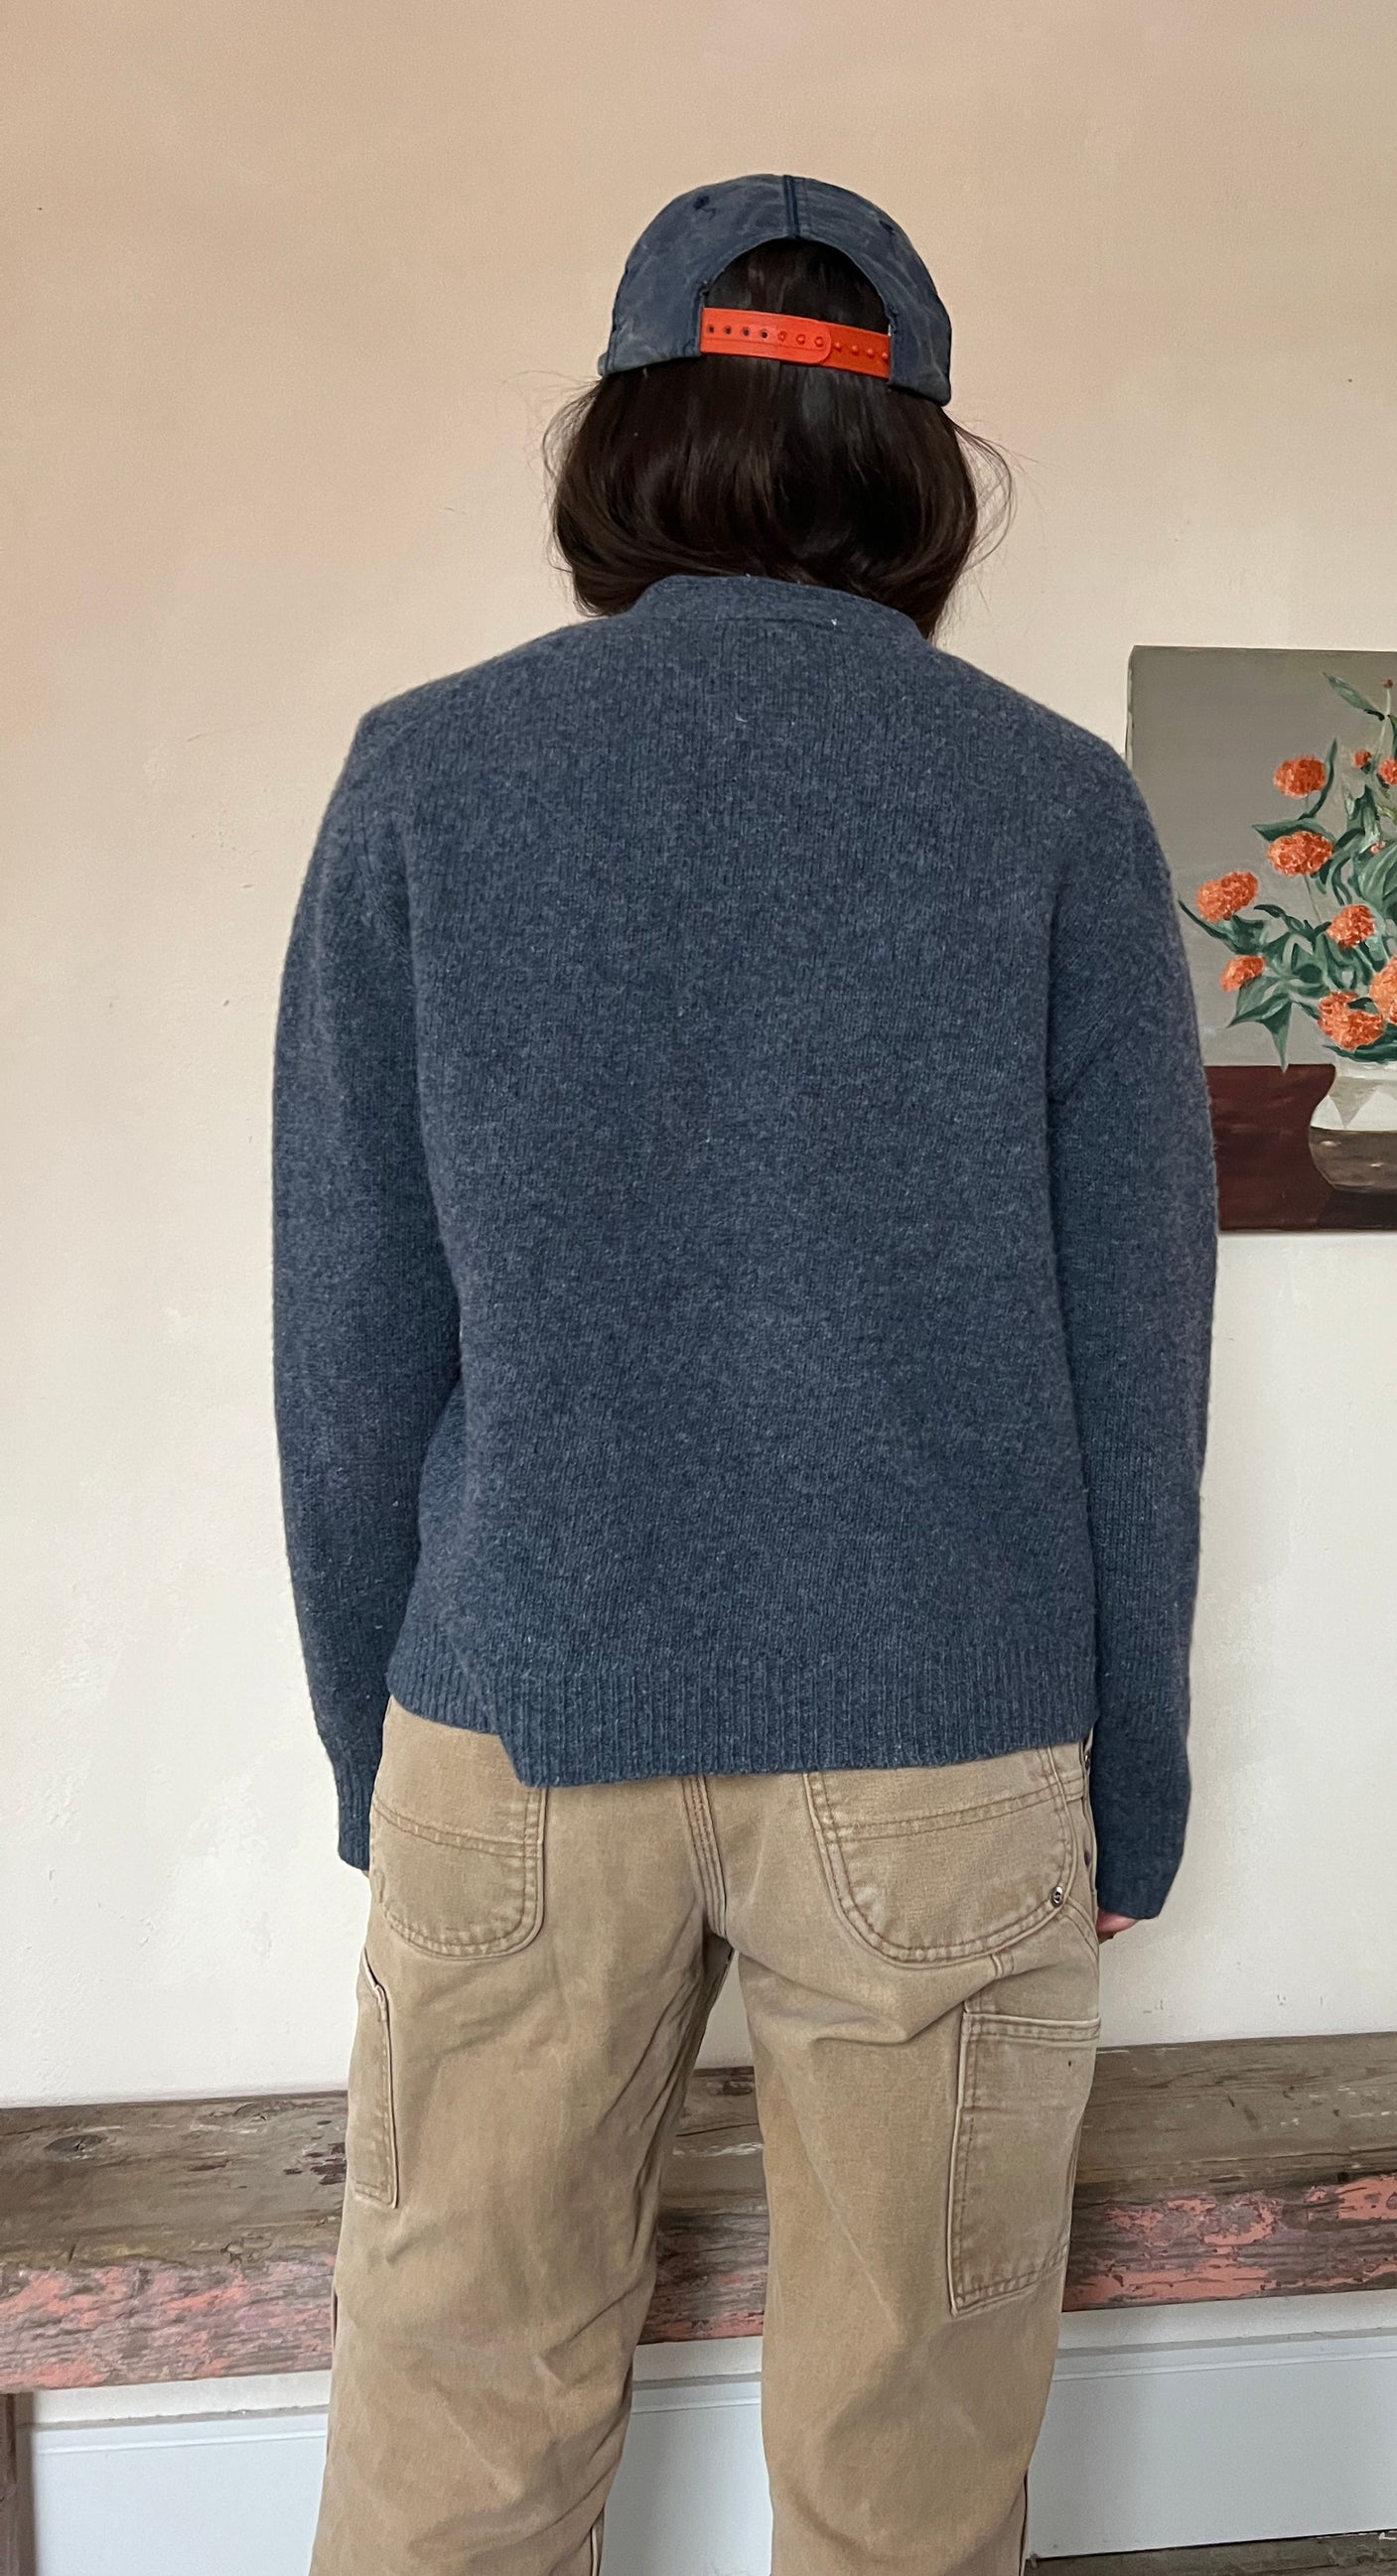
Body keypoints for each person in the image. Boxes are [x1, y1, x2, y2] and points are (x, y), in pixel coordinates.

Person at [273, 172, 1216, 2576]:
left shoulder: (426, 774)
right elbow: (1137, 1344)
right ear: (918, 465)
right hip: (943, 1726)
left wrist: (378, 1739)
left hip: (519, 1706)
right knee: (911, 2461)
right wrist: (1128, 1775)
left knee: (453, 2422)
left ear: (625, 435)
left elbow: (352, 1325)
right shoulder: (1048, 804)